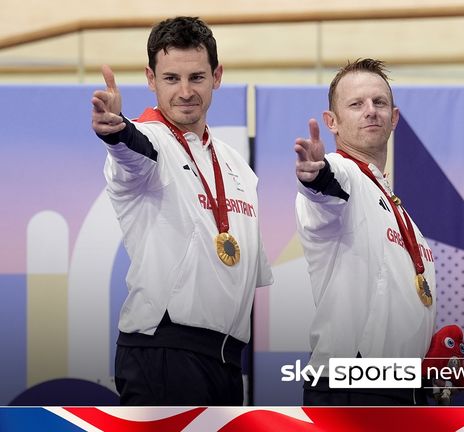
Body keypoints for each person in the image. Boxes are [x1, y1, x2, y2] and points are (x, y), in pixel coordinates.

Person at [91, 16, 273, 405]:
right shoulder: (150, 139)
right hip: (164, 351)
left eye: (197, 77)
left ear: (217, 76)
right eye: (171, 78)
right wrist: (116, 130)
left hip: (226, 359)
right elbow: (133, 152)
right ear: (151, 79)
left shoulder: (236, 165)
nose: (186, 91)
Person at [294, 58, 436, 405]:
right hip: (350, 385)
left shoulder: (393, 202)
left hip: (398, 386)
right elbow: (327, 188)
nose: (370, 111)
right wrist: (316, 174)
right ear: (332, 122)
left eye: (379, 102)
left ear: (394, 117)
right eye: (356, 104)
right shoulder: (344, 174)